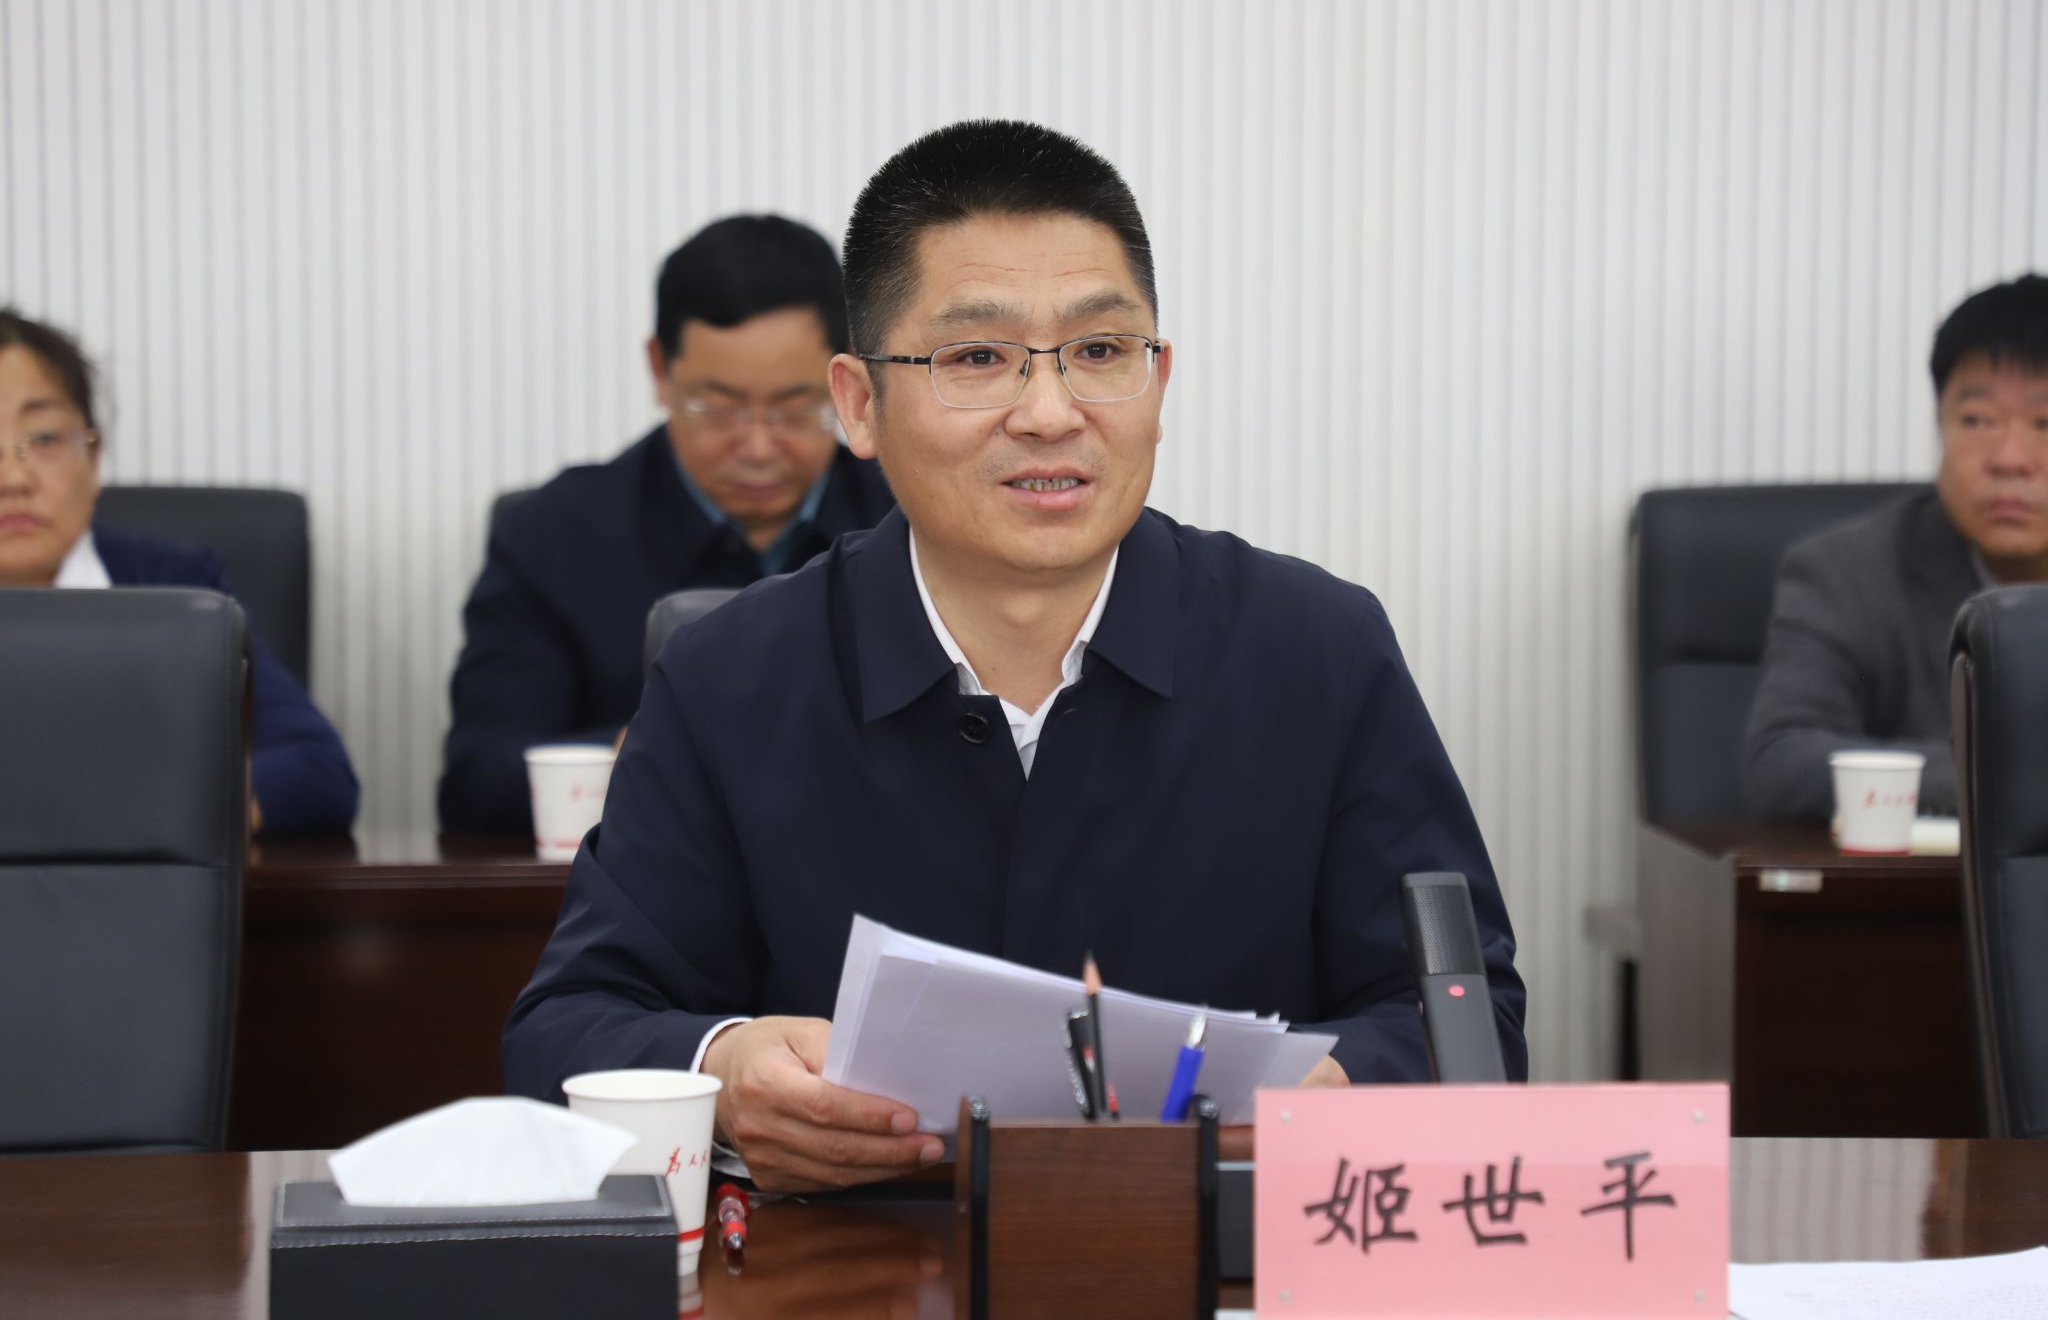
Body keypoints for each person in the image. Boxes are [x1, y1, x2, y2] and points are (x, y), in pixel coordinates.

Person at [502, 121, 1525, 1191]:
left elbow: (1468, 1020)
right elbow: (564, 1029)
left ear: (1159, 380)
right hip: (862, 1256)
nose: (1049, 412)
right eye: (976, 358)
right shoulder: (728, 677)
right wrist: (722, 1071)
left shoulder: (1317, 650)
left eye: (1101, 351)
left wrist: (1336, 1088)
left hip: (1215, 1254)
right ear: (859, 403)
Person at [439, 216, 894, 832]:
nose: (758, 448)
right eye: (720, 407)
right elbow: (477, 782)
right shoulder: (554, 534)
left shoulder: (909, 519)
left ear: (847, 383)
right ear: (659, 369)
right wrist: (650, 751)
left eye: (795, 409)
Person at [0, 309, 360, 835]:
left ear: (94, 461)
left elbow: (317, 772)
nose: (14, 476)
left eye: (46, 438)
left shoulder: (177, 586)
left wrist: (124, 810)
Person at [1745, 273, 2048, 819]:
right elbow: (1782, 765)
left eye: (2045, 422)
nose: (2010, 459)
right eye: (1977, 420)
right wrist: (2011, 778)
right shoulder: (1846, 573)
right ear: (1940, 425)